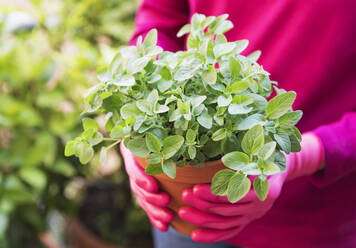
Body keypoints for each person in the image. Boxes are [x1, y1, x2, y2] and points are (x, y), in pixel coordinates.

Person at [121, 0, 356, 247]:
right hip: (182, 210)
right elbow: (160, 20)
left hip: (314, 223)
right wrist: (138, 122)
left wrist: (300, 158)